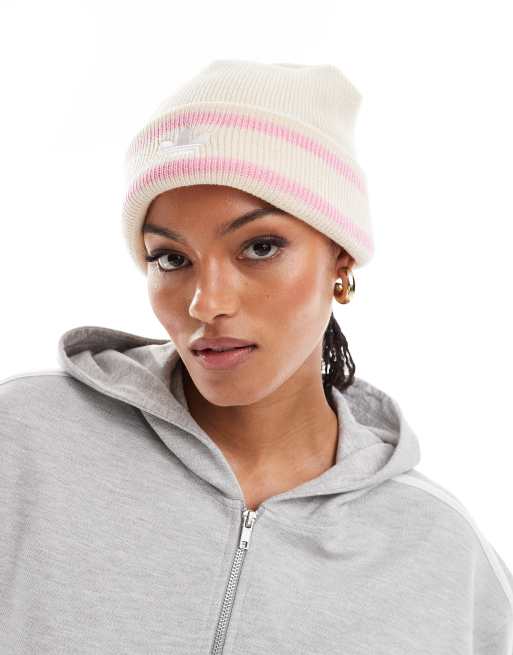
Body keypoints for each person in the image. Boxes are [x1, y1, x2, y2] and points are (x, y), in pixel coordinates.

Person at [1, 59, 511, 654]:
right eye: (171, 258)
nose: (206, 302)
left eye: (260, 247)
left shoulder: (442, 555)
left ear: (341, 259)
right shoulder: (25, 445)